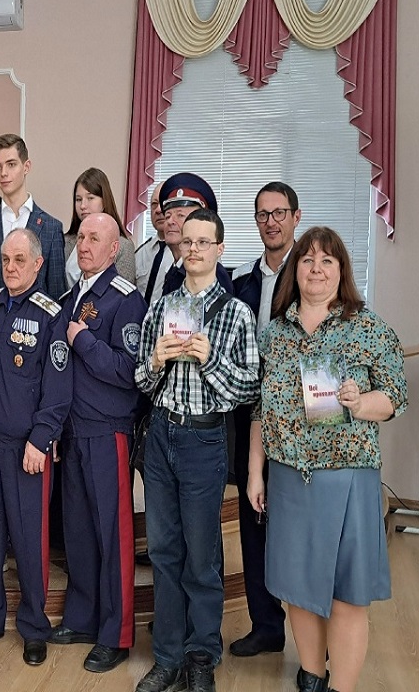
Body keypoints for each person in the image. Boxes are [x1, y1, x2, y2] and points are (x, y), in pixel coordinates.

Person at [247, 227, 407, 692]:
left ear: (342, 271)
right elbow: (260, 407)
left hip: (347, 477)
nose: (316, 269)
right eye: (307, 260)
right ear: (294, 270)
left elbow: (395, 397)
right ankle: (312, 675)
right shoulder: (275, 334)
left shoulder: (368, 327)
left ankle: (343, 687)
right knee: (297, 588)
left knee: (346, 595)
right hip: (289, 477)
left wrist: (360, 403)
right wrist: (256, 472)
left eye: (327, 261)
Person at [133, 208, 261, 692]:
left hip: (205, 441)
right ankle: (167, 656)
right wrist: (155, 361)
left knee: (202, 557)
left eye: (204, 242)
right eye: (187, 241)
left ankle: (201, 655)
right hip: (162, 436)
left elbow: (249, 389)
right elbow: (141, 381)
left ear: (219, 249)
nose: (194, 250)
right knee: (163, 551)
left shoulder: (236, 314)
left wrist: (209, 361)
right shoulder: (163, 308)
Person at [0, 228, 71, 668]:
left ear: (38, 264)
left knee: (29, 540)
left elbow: (57, 390)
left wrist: (40, 440)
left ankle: (34, 626)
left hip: (28, 450)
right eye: (6, 259)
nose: (11, 267)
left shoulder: (51, 316)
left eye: (20, 260)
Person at [48, 213, 146, 674]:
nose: (84, 245)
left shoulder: (126, 300)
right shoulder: (69, 299)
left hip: (109, 432)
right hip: (73, 432)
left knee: (113, 535)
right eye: (81, 237)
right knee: (80, 534)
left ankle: (116, 634)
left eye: (95, 239)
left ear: (114, 250)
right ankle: (82, 618)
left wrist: (85, 342)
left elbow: (131, 372)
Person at [228, 181, 302, 658]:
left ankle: (313, 642)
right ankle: (266, 626)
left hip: (297, 423)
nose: (271, 222)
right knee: (253, 520)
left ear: (296, 216)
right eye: (262, 214)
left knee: (295, 526)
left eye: (279, 213)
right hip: (247, 416)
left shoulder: (312, 272)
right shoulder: (241, 281)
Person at [0, 134, 66, 304]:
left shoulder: (51, 228)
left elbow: (57, 296)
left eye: (11, 164)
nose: (4, 173)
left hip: (36, 319)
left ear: (26, 166)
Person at [156, 172, 233, 295]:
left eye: (180, 215)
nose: (170, 222)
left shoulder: (212, 274)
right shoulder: (175, 269)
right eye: (167, 216)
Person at [63, 168, 136, 287]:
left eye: (90, 198)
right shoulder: (66, 241)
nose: (83, 205)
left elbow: (122, 291)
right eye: (78, 199)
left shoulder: (123, 246)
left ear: (104, 201)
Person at [135, 183, 171, 310]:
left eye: (164, 203)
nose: (158, 210)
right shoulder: (140, 253)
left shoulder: (186, 255)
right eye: (154, 204)